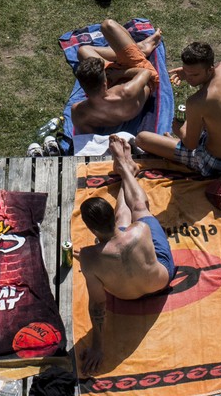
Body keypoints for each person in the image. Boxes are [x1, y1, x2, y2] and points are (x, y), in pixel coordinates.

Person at [76, 136, 175, 373]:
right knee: (139, 209)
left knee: (126, 216)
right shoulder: (140, 231)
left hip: (125, 297)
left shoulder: (89, 258)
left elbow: (97, 304)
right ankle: (127, 170)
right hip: (161, 279)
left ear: (91, 229)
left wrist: (98, 347)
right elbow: (128, 236)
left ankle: (125, 169)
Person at [135, 43, 221, 178]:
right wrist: (189, 73)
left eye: (194, 74)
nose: (189, 78)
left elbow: (191, 144)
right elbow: (211, 86)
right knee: (209, 118)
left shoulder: (197, 102)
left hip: (218, 163)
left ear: (210, 69)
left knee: (142, 139)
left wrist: (179, 129)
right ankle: (172, 144)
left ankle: (175, 150)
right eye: (186, 71)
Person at [71, 56, 155, 136]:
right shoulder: (126, 91)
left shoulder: (78, 112)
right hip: (144, 81)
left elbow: (89, 138)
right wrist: (119, 74)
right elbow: (146, 72)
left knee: (83, 52)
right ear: (105, 84)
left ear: (82, 87)